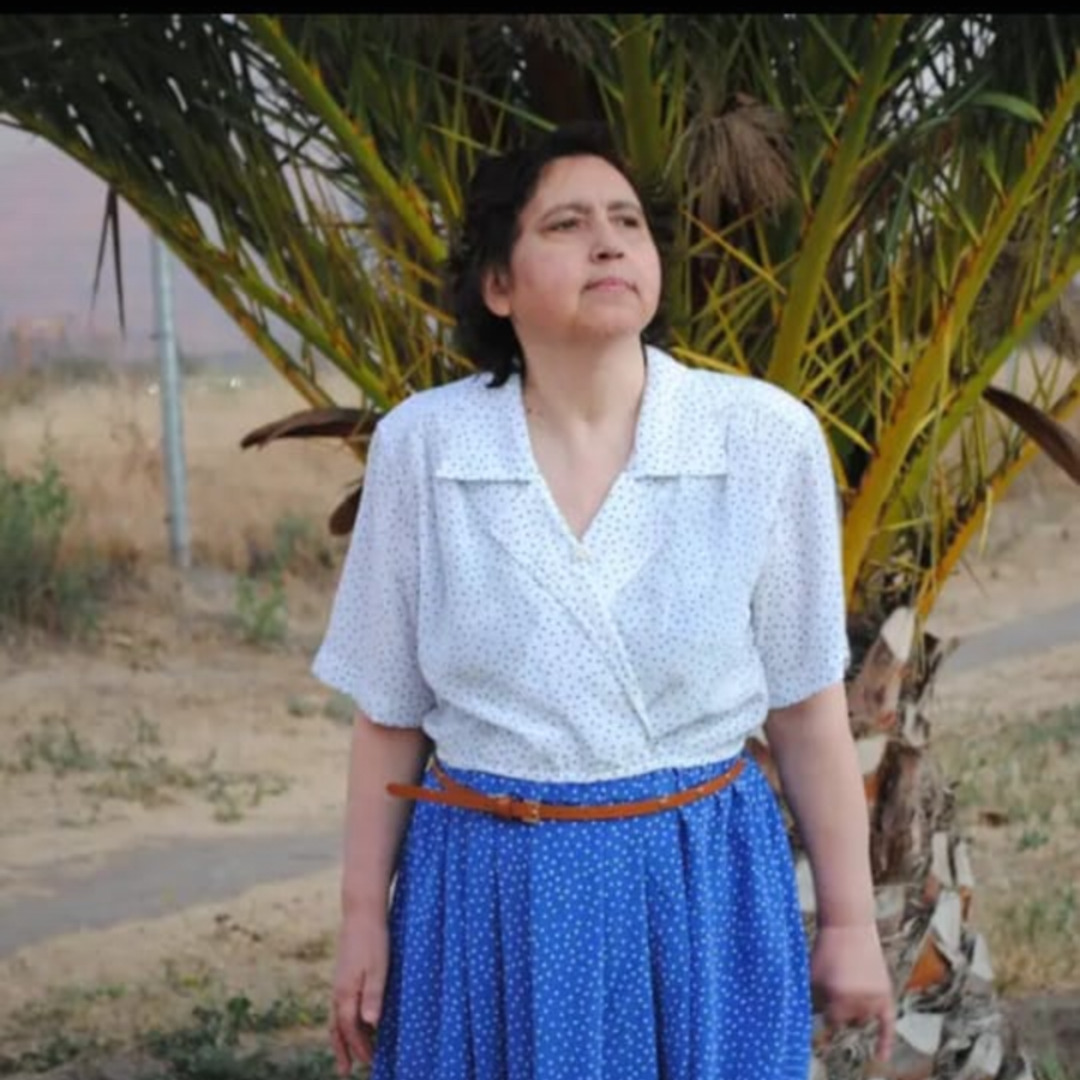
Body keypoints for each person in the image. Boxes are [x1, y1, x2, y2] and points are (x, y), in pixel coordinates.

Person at [312, 121, 895, 1080]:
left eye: (628, 222)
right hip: (486, 897)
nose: (610, 243)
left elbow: (805, 709)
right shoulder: (426, 447)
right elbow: (389, 713)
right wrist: (361, 919)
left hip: (699, 886)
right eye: (567, 224)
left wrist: (850, 923)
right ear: (497, 284)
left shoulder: (760, 438)